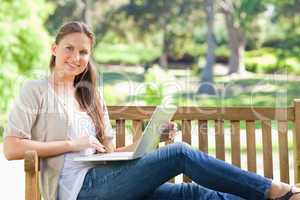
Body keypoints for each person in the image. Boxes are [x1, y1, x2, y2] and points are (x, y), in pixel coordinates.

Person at [3, 21, 300, 200]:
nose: (76, 57)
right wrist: (73, 144)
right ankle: (274, 190)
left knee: (191, 194)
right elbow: (11, 148)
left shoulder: (90, 96)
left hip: (110, 184)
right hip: (81, 192)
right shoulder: (36, 90)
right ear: (54, 49)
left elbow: (110, 155)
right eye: (69, 48)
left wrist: (151, 138)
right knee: (180, 154)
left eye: (83, 52)